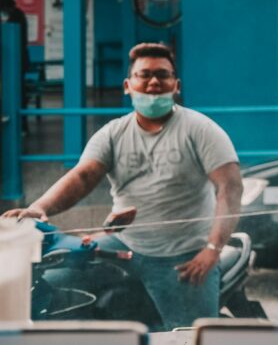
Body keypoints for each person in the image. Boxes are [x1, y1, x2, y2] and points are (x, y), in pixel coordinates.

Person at [3, 42, 242, 330]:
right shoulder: (114, 133)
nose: (153, 81)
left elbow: (230, 189)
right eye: (144, 74)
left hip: (183, 255)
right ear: (128, 85)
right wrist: (38, 208)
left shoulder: (201, 129)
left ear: (175, 85)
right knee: (53, 287)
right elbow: (82, 177)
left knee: (192, 335)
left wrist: (213, 249)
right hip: (123, 244)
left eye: (162, 75)